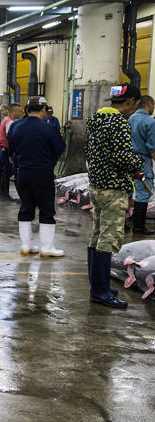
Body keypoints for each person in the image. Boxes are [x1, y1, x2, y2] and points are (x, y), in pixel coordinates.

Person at [85, 83, 145, 309]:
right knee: (108, 240)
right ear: (130, 101)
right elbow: (122, 158)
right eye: (135, 104)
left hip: (97, 186)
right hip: (113, 190)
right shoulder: (119, 123)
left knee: (97, 235)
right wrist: (138, 163)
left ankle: (97, 287)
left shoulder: (95, 119)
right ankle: (100, 292)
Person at [7, 96, 66, 257]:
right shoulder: (49, 128)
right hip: (43, 173)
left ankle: (26, 246)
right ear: (43, 109)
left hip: (22, 173)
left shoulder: (15, 127)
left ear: (27, 109)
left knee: (26, 207)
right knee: (46, 209)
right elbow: (60, 148)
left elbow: (10, 151)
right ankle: (46, 247)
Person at [129, 95, 155, 234]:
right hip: (143, 162)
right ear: (150, 104)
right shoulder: (150, 122)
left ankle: (125, 223)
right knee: (143, 192)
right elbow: (152, 147)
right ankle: (138, 227)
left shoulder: (131, 118)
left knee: (128, 190)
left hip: (129, 160)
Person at [0, 103, 22, 200]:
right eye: (19, 111)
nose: (20, 113)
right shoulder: (10, 122)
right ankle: (4, 194)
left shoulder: (5, 120)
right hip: (6, 150)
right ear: (14, 112)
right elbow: (10, 138)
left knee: (1, 172)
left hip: (2, 149)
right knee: (6, 172)